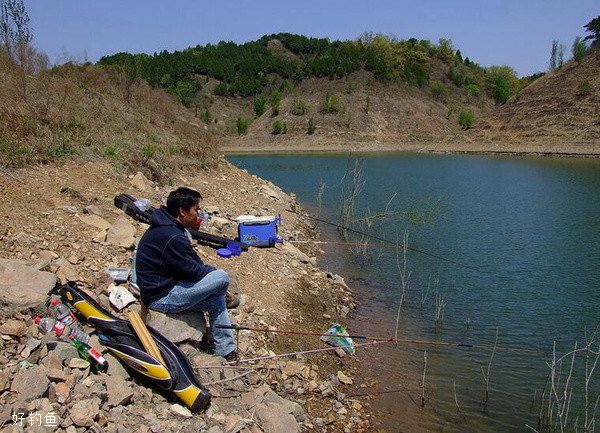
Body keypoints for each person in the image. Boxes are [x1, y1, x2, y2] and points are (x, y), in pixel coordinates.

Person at [135, 187, 237, 360]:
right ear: (182, 211)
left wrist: (207, 275)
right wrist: (213, 277)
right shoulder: (171, 235)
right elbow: (194, 272)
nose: (198, 214)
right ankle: (223, 295)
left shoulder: (173, 228)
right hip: (161, 297)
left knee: (216, 301)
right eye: (196, 209)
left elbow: (193, 262)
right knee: (222, 277)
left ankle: (226, 351)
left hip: (168, 286)